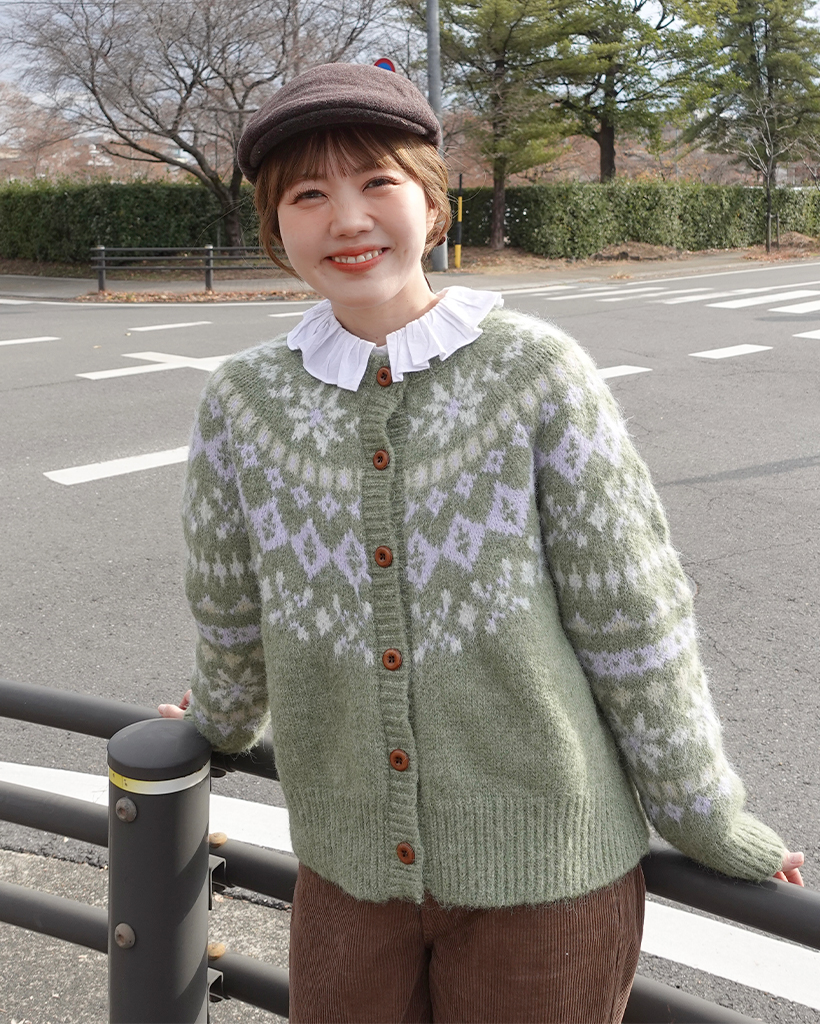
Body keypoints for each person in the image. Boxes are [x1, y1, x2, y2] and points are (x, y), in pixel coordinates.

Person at [159, 63, 804, 1023]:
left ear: (433, 202)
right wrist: (215, 722)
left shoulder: (536, 373)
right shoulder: (244, 402)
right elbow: (231, 609)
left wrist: (703, 815)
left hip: (552, 874)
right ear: (274, 226)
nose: (347, 218)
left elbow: (633, 616)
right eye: (308, 195)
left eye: (377, 181)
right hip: (344, 868)